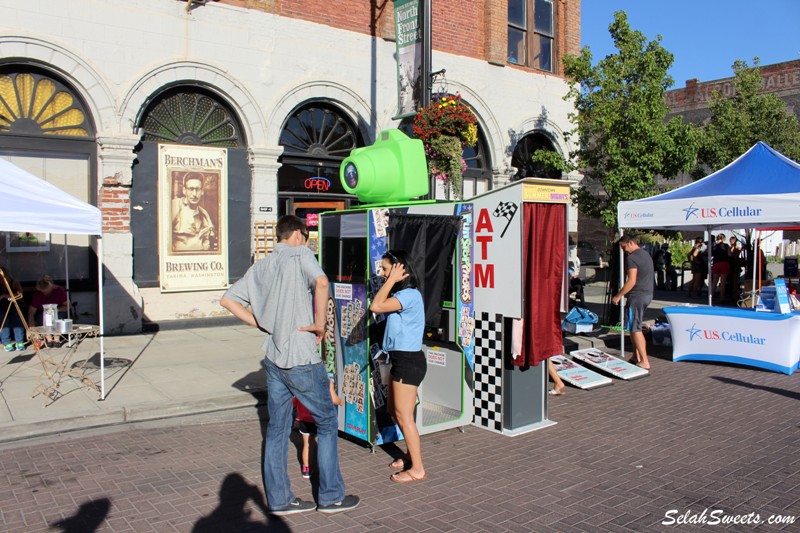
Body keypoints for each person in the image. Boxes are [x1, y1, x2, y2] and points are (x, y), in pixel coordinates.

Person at [220, 215, 359, 515]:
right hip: (300, 356)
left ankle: (281, 499)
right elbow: (322, 282)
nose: (306, 243)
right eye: (306, 238)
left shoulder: (262, 265)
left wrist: (262, 324)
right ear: (298, 235)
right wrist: (320, 323)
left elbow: (228, 300)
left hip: (273, 356)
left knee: (277, 430)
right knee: (326, 421)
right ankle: (331, 495)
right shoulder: (300, 254)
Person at [369, 249, 427, 484]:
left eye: (385, 269)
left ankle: (418, 469)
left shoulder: (410, 295)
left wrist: (391, 280)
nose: (382, 274)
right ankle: (409, 455)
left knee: (404, 416)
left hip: (409, 362)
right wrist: (391, 281)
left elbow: (376, 306)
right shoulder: (403, 294)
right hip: (400, 360)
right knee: (396, 410)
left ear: (399, 268)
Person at [611, 235, 653, 370]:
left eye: (624, 247)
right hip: (647, 294)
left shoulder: (632, 258)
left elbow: (631, 281)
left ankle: (644, 360)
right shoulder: (646, 254)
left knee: (635, 328)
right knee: (635, 325)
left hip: (637, 296)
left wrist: (618, 296)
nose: (624, 251)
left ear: (630, 243)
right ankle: (636, 356)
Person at [294, 379, 344, 480]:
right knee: (324, 444)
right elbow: (334, 400)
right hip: (320, 417)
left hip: (304, 419)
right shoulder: (326, 381)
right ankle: (325, 471)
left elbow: (294, 402)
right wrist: (342, 402)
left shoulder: (300, 382)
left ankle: (306, 469)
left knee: (307, 444)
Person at [171, 171, 217, 252]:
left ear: (202, 191)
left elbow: (211, 237)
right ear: (184, 190)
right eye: (191, 189)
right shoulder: (175, 206)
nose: (194, 194)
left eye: (197, 189)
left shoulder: (204, 214)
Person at [27, 275, 70, 346]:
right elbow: (31, 312)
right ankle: (48, 338)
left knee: (57, 318)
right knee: (45, 318)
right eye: (43, 291)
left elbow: (68, 306)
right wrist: (32, 330)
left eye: (47, 291)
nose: (45, 293)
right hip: (43, 312)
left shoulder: (59, 291)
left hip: (58, 310)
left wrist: (56, 310)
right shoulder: (38, 294)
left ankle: (56, 338)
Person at [1, 267, 26, 352]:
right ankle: (6, 342)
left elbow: (20, 294)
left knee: (18, 317)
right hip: (2, 306)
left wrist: (6, 296)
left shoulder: (14, 282)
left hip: (14, 304)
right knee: (3, 319)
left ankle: (20, 341)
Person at [711, 233, 731, 302]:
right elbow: (729, 254)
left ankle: (711, 296)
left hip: (716, 263)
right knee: (723, 282)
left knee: (714, 281)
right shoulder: (726, 246)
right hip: (724, 263)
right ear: (723, 239)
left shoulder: (714, 246)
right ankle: (721, 297)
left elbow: (711, 254)